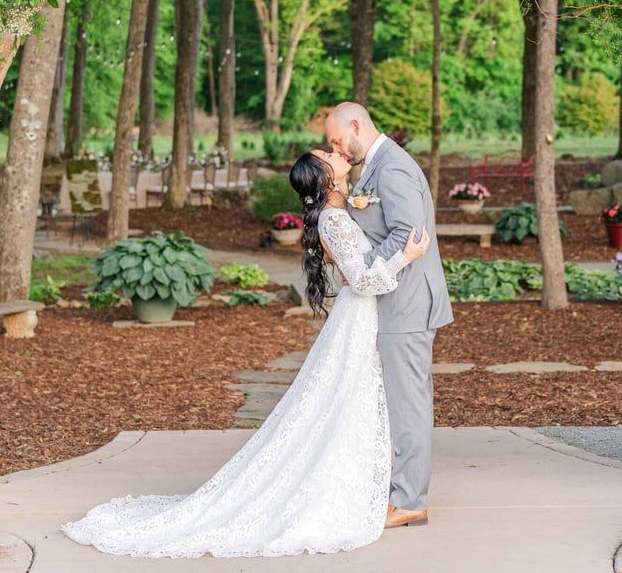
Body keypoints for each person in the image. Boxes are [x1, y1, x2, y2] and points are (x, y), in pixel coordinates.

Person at [61, 147, 429, 557]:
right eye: (329, 153)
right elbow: (360, 279)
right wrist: (404, 256)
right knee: (342, 404)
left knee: (346, 405)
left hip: (361, 320)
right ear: (326, 178)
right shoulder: (335, 219)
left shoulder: (340, 212)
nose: (336, 151)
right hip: (358, 317)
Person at [324, 101, 453, 529]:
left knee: (409, 404)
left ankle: (411, 500)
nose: (337, 149)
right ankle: (400, 490)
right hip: (394, 301)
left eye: (337, 140)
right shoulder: (376, 167)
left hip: (408, 303)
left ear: (356, 125)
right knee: (399, 402)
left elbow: (408, 234)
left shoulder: (393, 168)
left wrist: (363, 268)